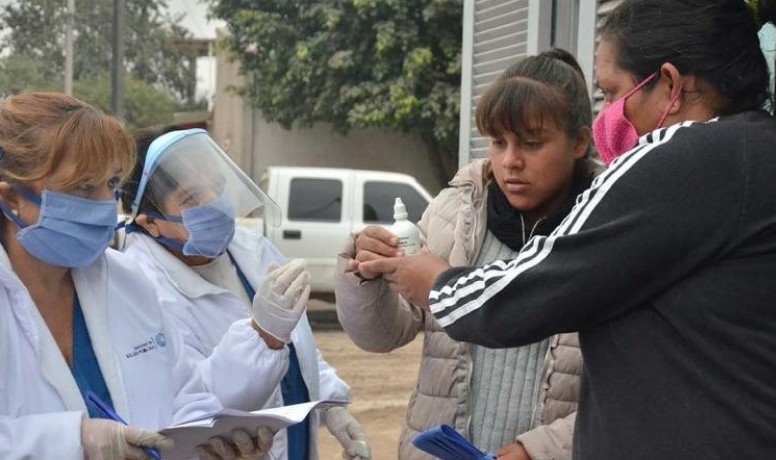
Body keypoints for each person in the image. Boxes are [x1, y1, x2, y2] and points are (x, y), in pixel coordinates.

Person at [360, 0, 776, 458]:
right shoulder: (755, 152)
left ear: (670, 84)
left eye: (613, 93)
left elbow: (528, 290)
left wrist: (438, 283)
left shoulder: (690, 156)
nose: (606, 116)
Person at [336, 48, 596, 459]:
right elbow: (383, 335)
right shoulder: (455, 213)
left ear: (579, 142)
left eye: (532, 143)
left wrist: (540, 451)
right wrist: (366, 280)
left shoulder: (607, 230)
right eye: (498, 142)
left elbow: (634, 390)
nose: (510, 161)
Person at [0, 92, 275, 459]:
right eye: (82, 187)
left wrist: (212, 442)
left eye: (112, 184)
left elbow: (185, 397)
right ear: (11, 199)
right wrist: (70, 440)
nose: (104, 204)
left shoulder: (128, 282)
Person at [119, 127, 370, 460]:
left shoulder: (251, 249)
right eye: (191, 197)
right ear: (149, 223)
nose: (214, 201)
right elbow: (191, 409)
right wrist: (262, 337)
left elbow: (299, 346)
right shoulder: (138, 290)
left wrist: (330, 404)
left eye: (217, 184)